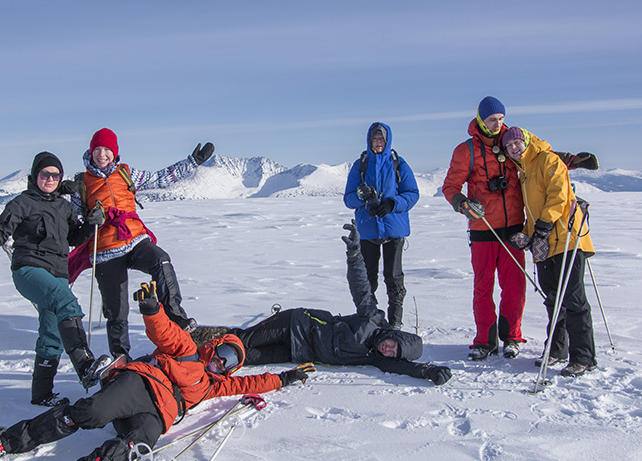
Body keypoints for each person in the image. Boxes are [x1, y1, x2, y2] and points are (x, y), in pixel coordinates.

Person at [0, 281, 314, 461]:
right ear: (215, 348)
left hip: (159, 415)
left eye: (230, 366)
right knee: (91, 413)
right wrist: (152, 308)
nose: (222, 366)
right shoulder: (188, 351)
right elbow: (164, 331)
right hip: (140, 383)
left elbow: (253, 384)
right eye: (223, 356)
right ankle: (9, 441)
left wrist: (286, 377)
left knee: (142, 441)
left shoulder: (215, 385)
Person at [191, 222, 452, 386]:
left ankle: (192, 362)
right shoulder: (373, 318)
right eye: (392, 344)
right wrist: (354, 254)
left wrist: (428, 371)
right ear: (394, 336)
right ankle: (191, 338)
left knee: (243, 359)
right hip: (294, 324)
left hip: (296, 352)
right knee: (240, 341)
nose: (387, 349)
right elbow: (360, 286)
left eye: (392, 352)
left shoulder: (376, 358)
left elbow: (403, 367)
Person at [0, 152, 107, 407]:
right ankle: (85, 364)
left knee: (51, 332)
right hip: (29, 270)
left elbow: (74, 238)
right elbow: (2, 230)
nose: (51, 179)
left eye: (55, 175)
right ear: (35, 176)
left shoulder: (63, 207)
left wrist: (91, 224)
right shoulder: (22, 203)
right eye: (45, 174)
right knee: (66, 303)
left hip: (57, 274)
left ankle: (41, 393)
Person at [68, 128, 215, 358]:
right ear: (91, 151)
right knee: (117, 311)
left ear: (114, 152)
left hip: (136, 240)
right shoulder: (82, 183)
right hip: (106, 250)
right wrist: (88, 221)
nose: (102, 154)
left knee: (161, 260)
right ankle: (121, 358)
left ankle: (175, 313)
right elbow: (72, 222)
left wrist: (192, 162)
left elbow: (160, 178)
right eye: (98, 149)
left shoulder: (127, 173)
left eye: (107, 149)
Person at [500, 126, 597, 377]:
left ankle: (584, 357)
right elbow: (533, 211)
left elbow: (559, 196)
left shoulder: (548, 160)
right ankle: (556, 349)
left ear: (527, 141)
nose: (513, 148)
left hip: (566, 238)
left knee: (574, 300)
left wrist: (543, 227)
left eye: (517, 143)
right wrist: (526, 234)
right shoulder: (525, 171)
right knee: (553, 299)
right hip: (544, 243)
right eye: (509, 146)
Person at [442, 96, 528, 361]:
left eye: (501, 119)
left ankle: (512, 337)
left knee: (514, 286)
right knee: (483, 287)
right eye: (492, 120)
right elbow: (450, 187)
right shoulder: (465, 150)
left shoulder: (513, 143)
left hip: (514, 230)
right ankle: (484, 341)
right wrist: (462, 203)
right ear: (481, 119)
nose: (497, 124)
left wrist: (568, 162)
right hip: (483, 229)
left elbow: (541, 160)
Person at [343, 122, 419, 329]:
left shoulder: (398, 164)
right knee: (368, 279)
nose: (378, 143)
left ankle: (395, 322)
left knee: (393, 277)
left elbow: (412, 194)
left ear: (387, 141)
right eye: (375, 140)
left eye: (381, 140)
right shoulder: (361, 166)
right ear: (369, 141)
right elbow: (348, 199)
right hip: (368, 230)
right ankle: (371, 319)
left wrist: (392, 204)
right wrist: (362, 197)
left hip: (394, 229)